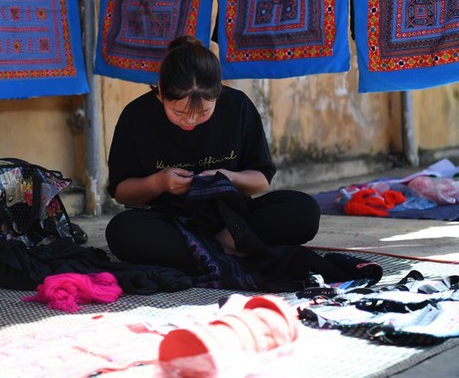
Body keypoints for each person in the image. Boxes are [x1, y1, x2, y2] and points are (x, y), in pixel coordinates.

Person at [105, 36, 321, 275]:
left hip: (231, 221)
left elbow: (261, 178)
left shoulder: (238, 107)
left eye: (204, 112)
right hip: (170, 223)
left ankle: (208, 252)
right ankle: (230, 249)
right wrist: (159, 182)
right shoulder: (136, 116)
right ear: (161, 91)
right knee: (122, 232)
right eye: (178, 112)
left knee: (304, 210)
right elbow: (121, 191)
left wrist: (228, 177)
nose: (190, 121)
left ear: (218, 94)